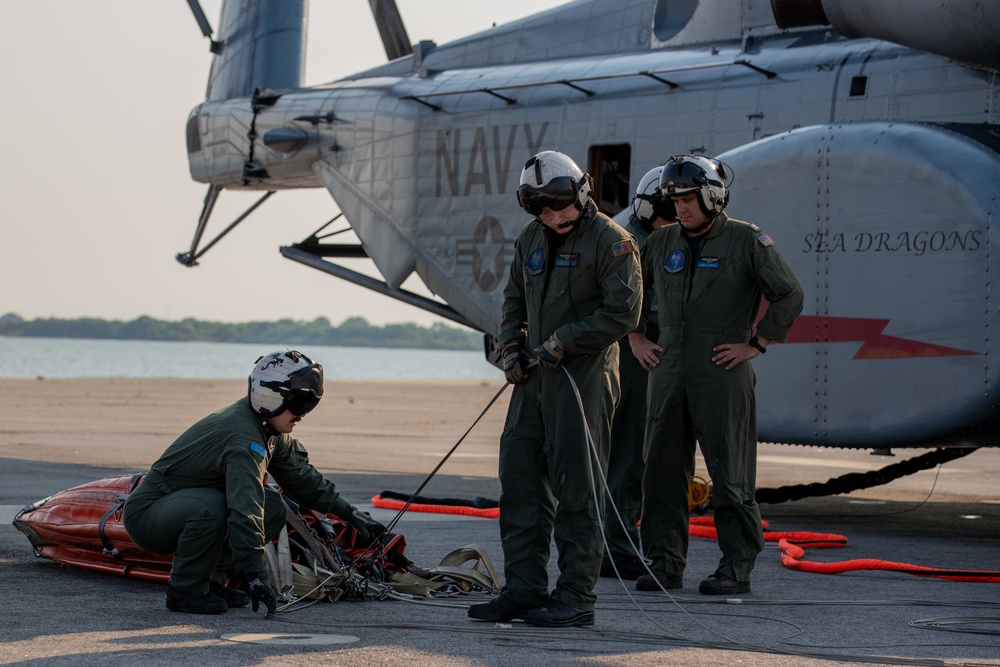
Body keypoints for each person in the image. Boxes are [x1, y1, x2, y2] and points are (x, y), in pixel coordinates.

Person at [468, 150, 642, 627]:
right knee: (520, 481)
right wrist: (510, 349)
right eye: (541, 208)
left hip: (582, 380)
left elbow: (623, 312)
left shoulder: (613, 241)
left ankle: (575, 597)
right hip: (531, 379)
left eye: (558, 205)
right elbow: (513, 300)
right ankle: (524, 589)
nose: (552, 215)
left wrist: (563, 340)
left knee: (577, 489)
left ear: (580, 195)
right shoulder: (531, 239)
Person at [631, 155, 803, 595]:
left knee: (730, 472)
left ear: (711, 195)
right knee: (661, 470)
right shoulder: (660, 242)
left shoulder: (746, 240)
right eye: (675, 199)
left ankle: (735, 567)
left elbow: (788, 293)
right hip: (667, 369)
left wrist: (757, 343)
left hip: (721, 369)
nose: (681, 207)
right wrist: (635, 337)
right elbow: (628, 291)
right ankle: (664, 563)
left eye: (688, 198)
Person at [123, 349, 387, 615]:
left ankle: (212, 582)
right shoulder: (243, 439)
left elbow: (302, 478)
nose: (302, 415)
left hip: (184, 506)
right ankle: (185, 590)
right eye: (299, 405)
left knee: (272, 506)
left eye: (309, 405)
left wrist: (352, 515)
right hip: (149, 514)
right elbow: (244, 508)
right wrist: (256, 576)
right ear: (270, 396)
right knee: (215, 506)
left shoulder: (267, 428)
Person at [600, 166, 675, 580]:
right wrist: (636, 337)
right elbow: (616, 295)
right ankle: (616, 547)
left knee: (633, 455)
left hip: (649, 351)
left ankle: (618, 542)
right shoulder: (632, 241)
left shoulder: (647, 232)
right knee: (628, 453)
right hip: (634, 356)